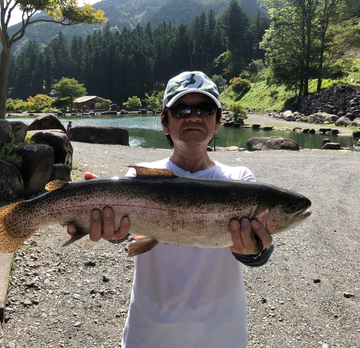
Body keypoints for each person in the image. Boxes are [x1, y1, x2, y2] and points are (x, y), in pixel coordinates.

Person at [67, 71, 274, 347]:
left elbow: (262, 250)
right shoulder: (138, 179)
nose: (193, 116)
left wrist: (254, 252)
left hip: (221, 336)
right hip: (149, 335)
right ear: (165, 122)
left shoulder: (240, 181)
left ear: (217, 122)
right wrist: (110, 231)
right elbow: (124, 235)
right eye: (182, 109)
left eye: (205, 108)